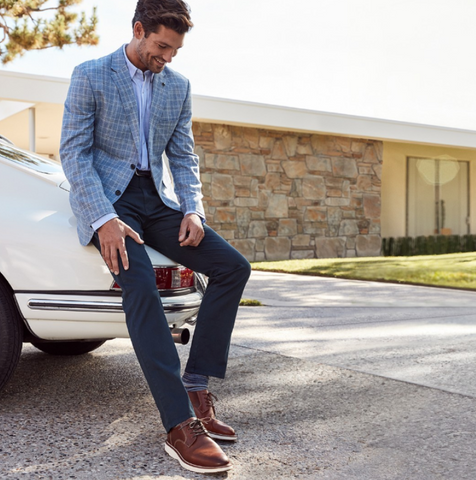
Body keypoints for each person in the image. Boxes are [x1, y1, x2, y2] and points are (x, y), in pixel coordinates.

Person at [60, 0, 250, 474]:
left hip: (158, 202)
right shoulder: (90, 74)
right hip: (112, 202)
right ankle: (179, 425)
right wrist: (102, 217)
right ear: (139, 30)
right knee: (140, 287)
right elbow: (74, 153)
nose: (168, 57)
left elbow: (183, 155)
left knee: (233, 267)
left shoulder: (178, 86)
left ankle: (196, 384)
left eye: (176, 49)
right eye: (162, 46)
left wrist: (193, 209)